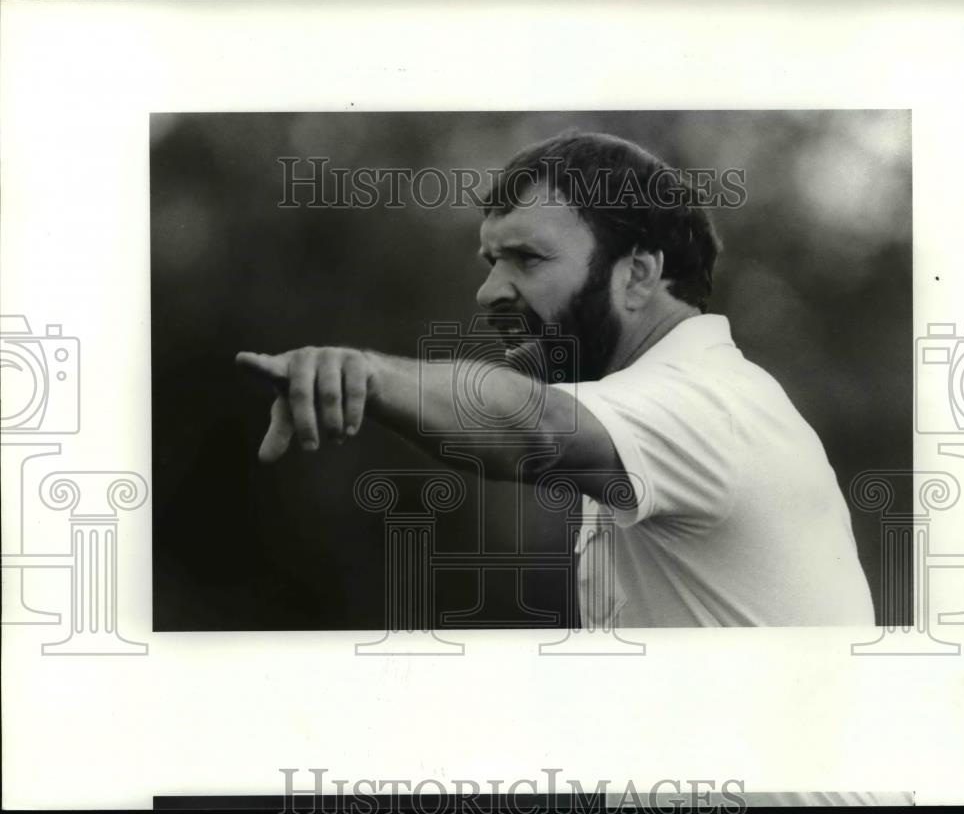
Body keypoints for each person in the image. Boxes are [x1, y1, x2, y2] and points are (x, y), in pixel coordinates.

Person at [237, 131, 875, 628]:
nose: (488, 291)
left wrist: (366, 373)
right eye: (492, 261)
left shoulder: (707, 401)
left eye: (527, 258)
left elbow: (532, 425)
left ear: (638, 276)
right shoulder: (661, 401)